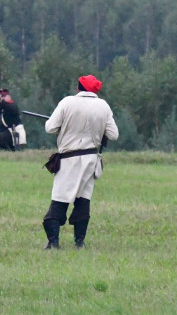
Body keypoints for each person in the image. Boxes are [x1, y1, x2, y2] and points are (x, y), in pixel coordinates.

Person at [42, 75, 119, 249]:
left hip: (69, 159)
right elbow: (113, 134)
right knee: (83, 200)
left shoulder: (67, 102)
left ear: (78, 88)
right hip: (91, 160)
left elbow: (50, 127)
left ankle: (53, 242)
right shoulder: (104, 106)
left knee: (60, 199)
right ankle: (79, 242)